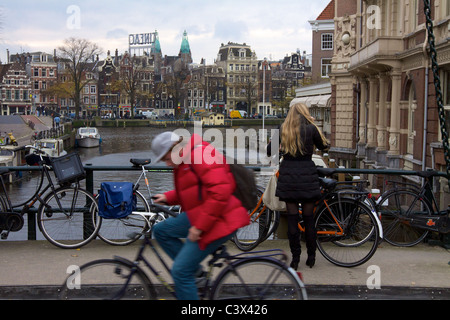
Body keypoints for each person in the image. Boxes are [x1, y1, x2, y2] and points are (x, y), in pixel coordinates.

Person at [150, 131, 249, 300]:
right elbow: (194, 190)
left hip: (220, 219)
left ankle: (189, 275)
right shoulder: (185, 160)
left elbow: (220, 192)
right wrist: (169, 197)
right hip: (205, 214)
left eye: (166, 159)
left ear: (174, 148)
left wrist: (198, 228)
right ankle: (196, 274)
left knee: (180, 271)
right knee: (161, 231)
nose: (166, 164)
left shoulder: (200, 155)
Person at [271, 103, 329, 270]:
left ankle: (295, 259)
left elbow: (270, 150)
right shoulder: (310, 129)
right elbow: (324, 146)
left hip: (288, 175)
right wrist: (315, 127)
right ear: (305, 113)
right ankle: (311, 257)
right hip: (307, 175)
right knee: (309, 218)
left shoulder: (283, 128)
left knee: (292, 218)